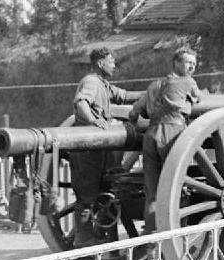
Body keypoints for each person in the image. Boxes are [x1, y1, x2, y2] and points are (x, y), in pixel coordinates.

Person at [71, 47, 142, 247]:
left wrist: (155, 90)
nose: (114, 65)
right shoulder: (91, 82)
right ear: (100, 63)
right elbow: (81, 102)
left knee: (101, 191)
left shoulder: (103, 84)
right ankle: (83, 239)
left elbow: (125, 95)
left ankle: (98, 235)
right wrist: (94, 120)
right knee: (87, 195)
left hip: (98, 147)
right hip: (87, 147)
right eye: (111, 62)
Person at [129, 48, 205, 233]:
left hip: (150, 136)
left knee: (153, 196)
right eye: (188, 63)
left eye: (194, 64)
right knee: (175, 189)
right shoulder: (188, 81)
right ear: (176, 63)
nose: (192, 67)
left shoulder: (155, 85)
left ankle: (150, 245)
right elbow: (200, 98)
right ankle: (172, 243)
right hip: (173, 133)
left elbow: (135, 111)